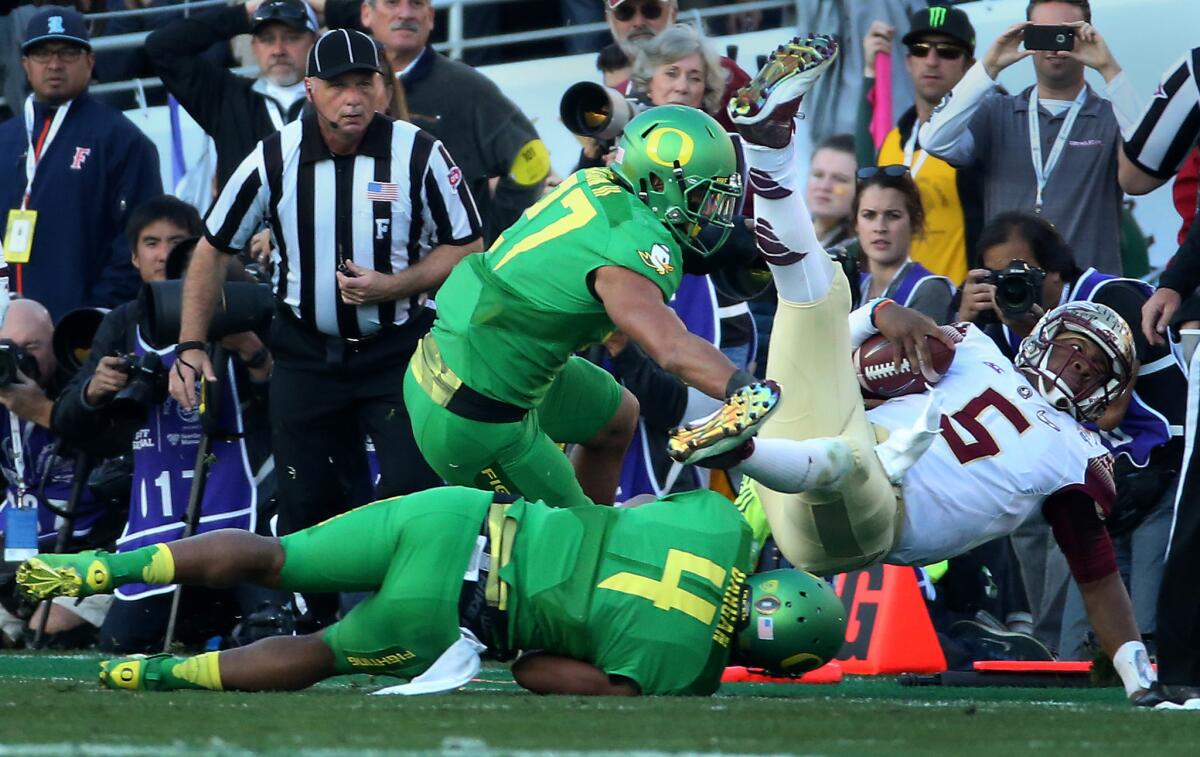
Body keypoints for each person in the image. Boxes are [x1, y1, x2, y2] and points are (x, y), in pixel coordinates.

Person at [672, 34, 1158, 704]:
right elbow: (854, 377)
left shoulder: (1077, 454)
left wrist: (1140, 677)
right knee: (816, 296)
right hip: (816, 461)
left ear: (1107, 387)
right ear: (1045, 332)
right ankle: (768, 145)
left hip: (865, 519)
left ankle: (742, 444)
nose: (1074, 364)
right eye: (1075, 345)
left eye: (1090, 362)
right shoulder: (976, 348)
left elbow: (1098, 574)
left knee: (851, 459)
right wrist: (879, 318)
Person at [17, 486, 847, 696]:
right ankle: (151, 676)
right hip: (453, 612)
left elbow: (627, 504)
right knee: (321, 652)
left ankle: (104, 567)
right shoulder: (684, 668)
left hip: (461, 518)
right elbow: (533, 674)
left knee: (277, 554)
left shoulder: (720, 526)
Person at [169, 31, 481, 552]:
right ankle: (311, 620)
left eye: (365, 83)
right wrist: (190, 345)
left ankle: (405, 621)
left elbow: (470, 248)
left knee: (412, 493)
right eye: (338, 85)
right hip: (305, 354)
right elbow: (212, 248)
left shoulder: (420, 153)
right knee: (307, 502)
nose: (353, 97)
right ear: (310, 89)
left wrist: (395, 285)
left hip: (399, 352)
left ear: (382, 88)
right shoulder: (275, 156)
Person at [404, 104, 768, 510]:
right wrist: (744, 390)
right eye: (701, 195)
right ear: (656, 180)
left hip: (468, 357)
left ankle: (599, 520)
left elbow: (657, 235)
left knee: (616, 417)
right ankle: (590, 541)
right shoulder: (625, 247)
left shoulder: (597, 181)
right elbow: (670, 345)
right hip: (471, 410)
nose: (709, 212)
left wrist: (735, 244)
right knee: (570, 541)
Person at [53, 197, 282, 653]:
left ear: (205, 251)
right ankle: (200, 624)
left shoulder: (242, 304)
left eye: (178, 245)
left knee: (269, 628)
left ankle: (222, 621)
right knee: (122, 642)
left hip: (243, 501)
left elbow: (294, 410)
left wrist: (254, 355)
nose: (164, 255)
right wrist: (95, 390)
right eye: (151, 244)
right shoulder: (123, 323)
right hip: (158, 509)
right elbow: (68, 424)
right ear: (134, 258)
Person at [957, 211, 1185, 654]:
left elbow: (1107, 411)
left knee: (1152, 633)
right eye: (999, 275)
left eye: (1022, 272)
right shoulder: (1002, 327)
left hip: (1164, 468)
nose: (1011, 285)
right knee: (1079, 647)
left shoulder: (1109, 297)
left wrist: (1034, 336)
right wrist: (965, 322)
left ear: (1057, 267)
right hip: (1102, 481)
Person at [918, 0, 1140, 276]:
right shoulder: (997, 112)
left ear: (1087, 36)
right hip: (1010, 297)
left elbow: (1147, 157)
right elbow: (935, 141)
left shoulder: (1110, 117)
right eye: (1043, 34)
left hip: (1087, 301)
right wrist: (989, 66)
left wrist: (1109, 69)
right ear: (1026, 36)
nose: (1055, 46)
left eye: (1066, 34)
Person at [0, 6, 162, 321]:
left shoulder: (121, 139)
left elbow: (138, 240)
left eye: (67, 53)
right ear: (25, 65)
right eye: (43, 54)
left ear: (90, 61)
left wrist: (93, 317)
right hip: (6, 330)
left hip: (80, 335)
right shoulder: (4, 138)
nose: (55, 64)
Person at [361, 0, 549, 244]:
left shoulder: (469, 89)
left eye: (416, 4)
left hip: (451, 273)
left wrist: (493, 237)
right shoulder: (336, 89)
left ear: (430, 16)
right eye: (392, 2)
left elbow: (533, 160)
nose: (405, 13)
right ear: (367, 13)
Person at [0, 298, 119, 647]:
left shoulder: (91, 392)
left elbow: (114, 449)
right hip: (15, 549)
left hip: (88, 547)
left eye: (32, 346)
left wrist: (42, 411)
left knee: (51, 630)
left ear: (58, 343)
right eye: (8, 348)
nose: (20, 359)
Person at [857, 5, 983, 284]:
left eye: (948, 51)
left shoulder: (981, 137)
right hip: (896, 306)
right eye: (920, 49)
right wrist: (870, 70)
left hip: (956, 309)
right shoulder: (894, 139)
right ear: (908, 61)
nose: (932, 60)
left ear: (969, 65)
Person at [146, 0, 319, 189]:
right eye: (267, 39)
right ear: (254, 46)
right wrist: (241, 14)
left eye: (291, 37)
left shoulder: (335, 100)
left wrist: (330, 7)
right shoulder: (227, 96)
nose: (278, 50)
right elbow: (161, 47)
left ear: (316, 41)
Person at [603, 0, 749, 133]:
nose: (639, 22)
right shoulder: (611, 99)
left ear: (673, 12)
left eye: (651, 10)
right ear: (609, 19)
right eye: (625, 13)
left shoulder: (727, 75)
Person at [854, 165, 954, 324]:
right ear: (856, 223)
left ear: (914, 222)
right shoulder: (853, 286)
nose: (880, 227)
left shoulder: (929, 289)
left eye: (893, 216)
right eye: (869, 215)